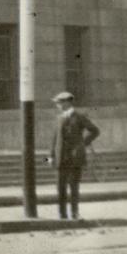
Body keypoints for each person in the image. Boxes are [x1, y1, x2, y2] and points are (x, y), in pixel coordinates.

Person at [48, 91, 100, 220]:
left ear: (67, 102)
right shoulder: (59, 118)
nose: (57, 105)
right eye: (57, 103)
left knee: (74, 187)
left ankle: (74, 213)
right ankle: (62, 214)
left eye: (59, 103)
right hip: (61, 158)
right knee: (60, 187)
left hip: (75, 158)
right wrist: (51, 156)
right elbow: (55, 138)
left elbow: (95, 131)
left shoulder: (79, 117)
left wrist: (83, 143)